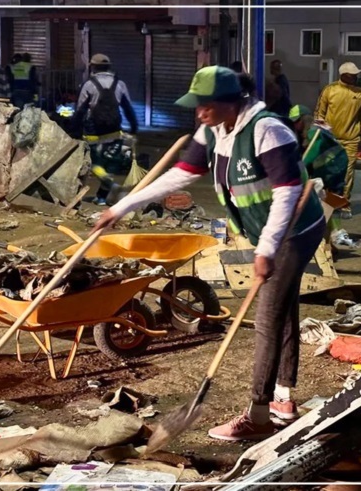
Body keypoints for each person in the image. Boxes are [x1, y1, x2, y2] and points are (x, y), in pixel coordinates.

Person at [94, 66, 325, 441]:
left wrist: (266, 249)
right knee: (282, 308)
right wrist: (122, 207)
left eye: (205, 105)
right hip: (267, 230)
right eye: (196, 106)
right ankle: (283, 398)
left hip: (295, 230)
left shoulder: (269, 130)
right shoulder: (214, 129)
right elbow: (183, 173)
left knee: (267, 316)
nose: (199, 112)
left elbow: (286, 193)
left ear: (230, 102)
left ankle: (259, 414)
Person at [73, 53, 140, 205]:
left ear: (93, 67)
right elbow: (128, 108)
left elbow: (80, 110)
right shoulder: (120, 84)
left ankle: (112, 187)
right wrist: (134, 127)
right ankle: (102, 197)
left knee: (94, 163)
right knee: (109, 164)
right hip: (114, 130)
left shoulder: (89, 85)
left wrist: (74, 131)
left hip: (93, 132)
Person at [314, 62, 361, 219]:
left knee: (348, 173)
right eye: (353, 75)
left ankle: (344, 204)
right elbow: (320, 114)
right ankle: (329, 202)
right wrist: (320, 135)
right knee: (328, 172)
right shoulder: (330, 90)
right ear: (344, 75)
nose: (356, 77)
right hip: (330, 140)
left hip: (351, 140)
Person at [288, 103, 348, 234]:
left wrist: (295, 171)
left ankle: (335, 232)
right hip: (327, 166)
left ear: (304, 119)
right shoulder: (311, 130)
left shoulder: (315, 132)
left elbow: (310, 155)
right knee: (326, 199)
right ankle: (328, 231)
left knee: (333, 200)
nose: (295, 125)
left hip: (334, 167)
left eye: (297, 121)